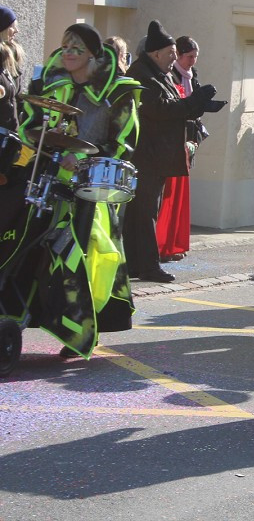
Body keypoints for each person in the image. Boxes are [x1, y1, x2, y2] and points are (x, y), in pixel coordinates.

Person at [17, 23, 141, 357]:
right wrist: (42, 138)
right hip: (46, 182)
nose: (68, 54)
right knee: (30, 247)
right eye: (65, 47)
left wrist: (85, 158)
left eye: (77, 49)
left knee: (82, 256)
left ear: (92, 56)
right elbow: (29, 125)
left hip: (90, 189)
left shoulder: (119, 91)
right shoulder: (52, 84)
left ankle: (81, 328)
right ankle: (20, 316)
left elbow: (123, 143)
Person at [124, 20, 222, 282]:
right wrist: (194, 101)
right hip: (147, 155)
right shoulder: (142, 76)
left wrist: (198, 105)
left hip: (156, 154)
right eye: (170, 54)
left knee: (143, 212)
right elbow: (161, 110)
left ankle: (135, 264)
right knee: (144, 212)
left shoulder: (158, 73)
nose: (174, 59)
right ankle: (146, 266)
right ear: (155, 53)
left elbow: (174, 106)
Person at [156, 35, 203, 263]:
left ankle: (175, 244)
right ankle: (162, 245)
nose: (193, 61)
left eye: (196, 57)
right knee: (168, 198)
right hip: (172, 144)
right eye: (189, 57)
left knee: (179, 199)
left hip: (187, 142)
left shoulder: (193, 78)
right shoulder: (169, 77)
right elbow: (174, 109)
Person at [0, 5, 25, 130]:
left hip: (10, 136)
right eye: (12, 26)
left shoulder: (12, 62)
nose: (16, 30)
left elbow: (18, 98)